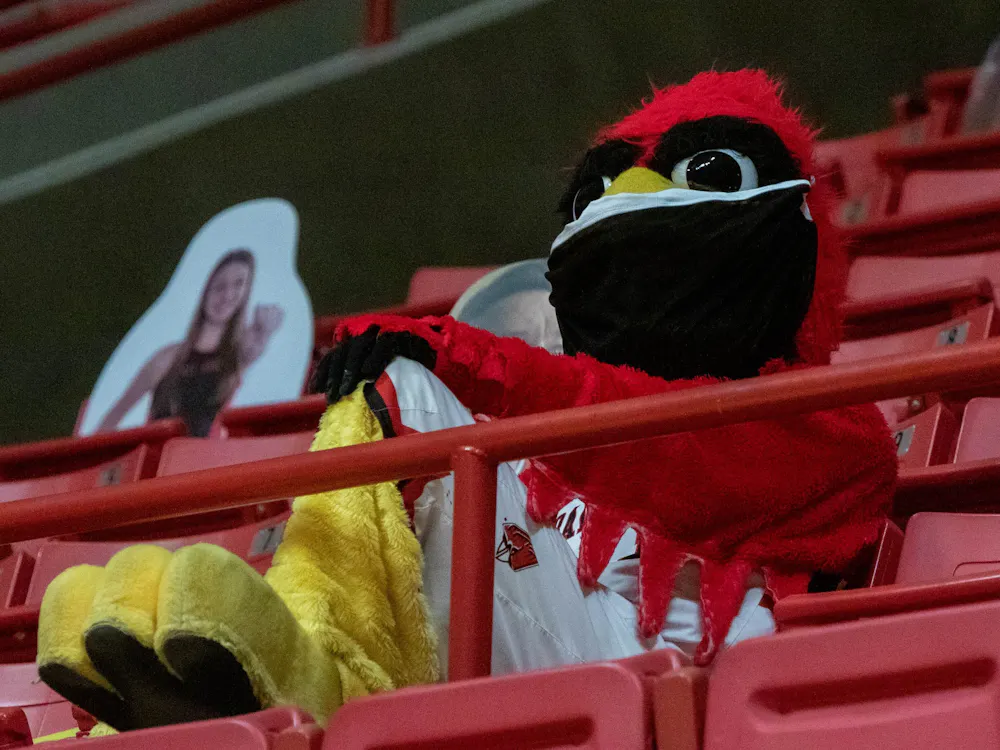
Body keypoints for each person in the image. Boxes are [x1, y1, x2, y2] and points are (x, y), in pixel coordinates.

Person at [96, 249, 284, 437]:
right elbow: (114, 416)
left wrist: (264, 331)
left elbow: (253, 350)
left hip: (210, 461)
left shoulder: (238, 355)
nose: (227, 295)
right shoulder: (166, 359)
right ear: (206, 288)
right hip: (163, 462)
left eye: (238, 285)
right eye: (220, 285)